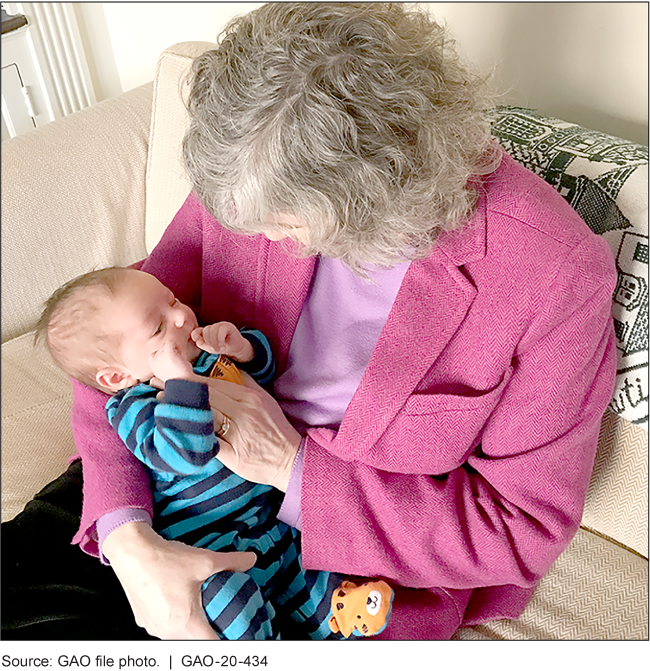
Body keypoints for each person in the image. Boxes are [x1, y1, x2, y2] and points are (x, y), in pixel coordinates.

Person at [4, 3, 617, 641]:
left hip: (339, 575)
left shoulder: (552, 276)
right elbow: (107, 330)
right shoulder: (256, 160)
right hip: (165, 485)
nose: (259, 236)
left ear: (373, 192)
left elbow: (520, 529)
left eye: (286, 226)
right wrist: (129, 538)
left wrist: (294, 468)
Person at [35, 266, 386, 640]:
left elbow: (262, 382)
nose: (183, 315)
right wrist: (180, 385)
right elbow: (185, 454)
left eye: (172, 300)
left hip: (271, 522)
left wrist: (244, 349)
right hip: (211, 547)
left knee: (310, 571)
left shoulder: (203, 357)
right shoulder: (133, 408)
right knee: (226, 601)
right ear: (117, 377)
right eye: (158, 327)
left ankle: (340, 618)